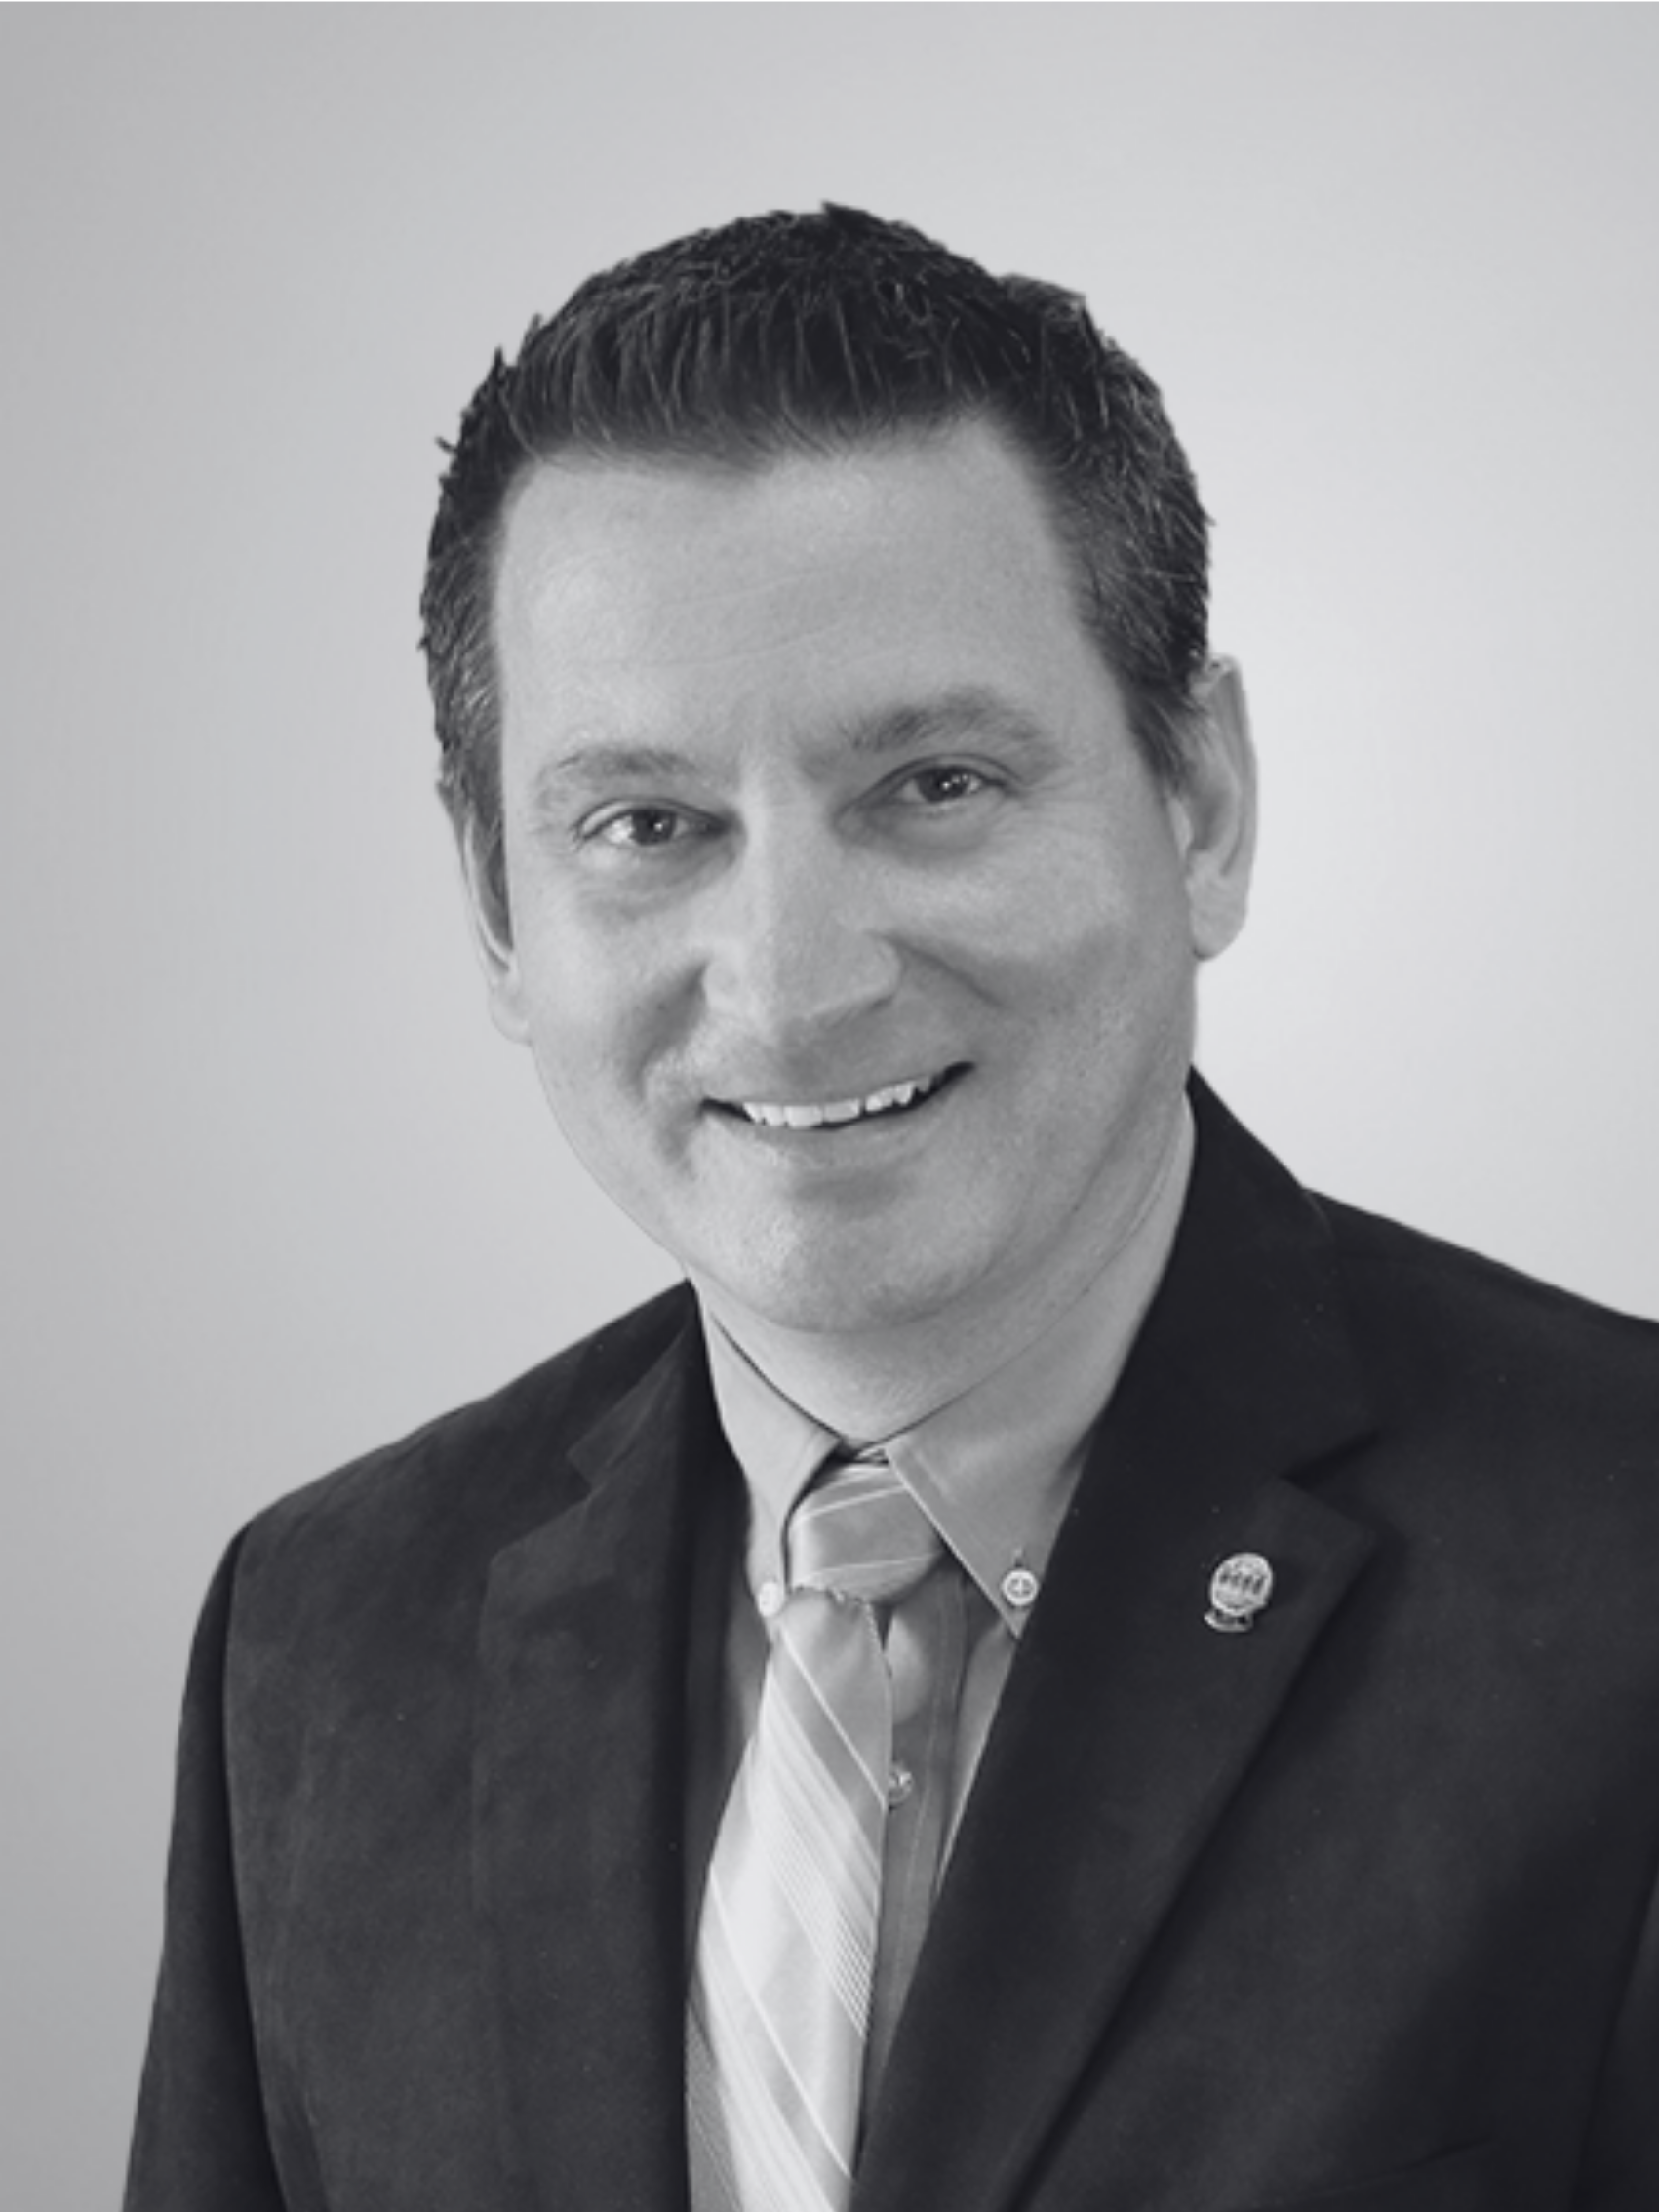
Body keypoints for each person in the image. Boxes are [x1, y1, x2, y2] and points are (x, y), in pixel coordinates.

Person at [126, 206, 1659, 2212]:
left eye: (932, 784)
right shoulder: (321, 1640)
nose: (789, 981)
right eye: (647, 824)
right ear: (499, 906)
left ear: (1198, 804)